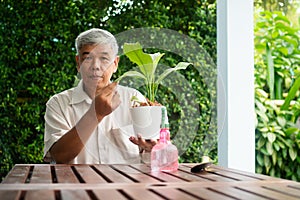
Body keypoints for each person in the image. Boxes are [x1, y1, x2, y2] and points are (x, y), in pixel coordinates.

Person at [43, 28, 156, 164]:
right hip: (77, 184)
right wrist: (95, 114)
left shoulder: (134, 99)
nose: (95, 66)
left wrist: (154, 149)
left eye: (104, 58)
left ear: (115, 64)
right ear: (78, 63)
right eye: (88, 58)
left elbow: (151, 158)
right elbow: (59, 156)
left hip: (126, 184)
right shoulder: (59, 103)